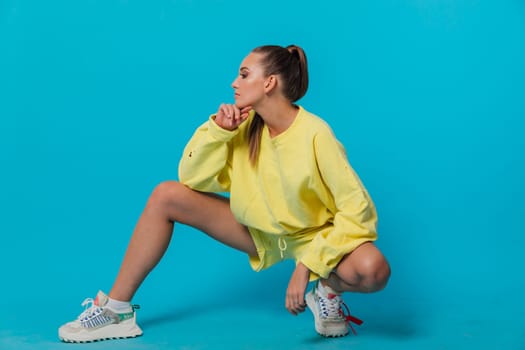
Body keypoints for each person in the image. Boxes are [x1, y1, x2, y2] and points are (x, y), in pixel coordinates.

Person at [58, 44, 391, 343]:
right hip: (260, 233)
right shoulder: (243, 125)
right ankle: (117, 311)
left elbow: (357, 209)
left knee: (374, 268)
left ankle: (329, 291)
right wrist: (218, 131)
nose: (234, 82)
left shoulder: (316, 134)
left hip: (315, 239)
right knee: (166, 195)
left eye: (244, 74)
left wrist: (307, 267)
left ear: (269, 83)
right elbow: (191, 178)